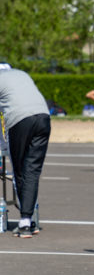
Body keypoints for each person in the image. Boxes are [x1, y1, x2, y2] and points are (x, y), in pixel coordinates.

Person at [0, 64, 51, 238]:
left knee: (20, 171)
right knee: (32, 171)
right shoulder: (21, 74)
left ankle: (25, 223)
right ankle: (28, 221)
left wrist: (3, 144)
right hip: (44, 117)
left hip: (20, 120)